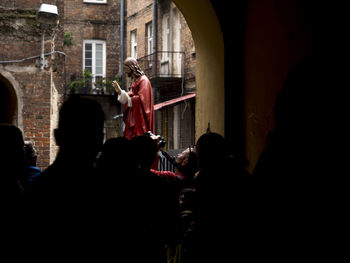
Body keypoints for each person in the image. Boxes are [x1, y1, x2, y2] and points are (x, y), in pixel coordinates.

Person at [112, 57, 155, 140]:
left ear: (132, 67)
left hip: (139, 118)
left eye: (126, 68)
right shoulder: (135, 80)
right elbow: (130, 96)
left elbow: (142, 100)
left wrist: (126, 95)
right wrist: (120, 92)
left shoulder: (143, 80)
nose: (125, 71)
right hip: (132, 115)